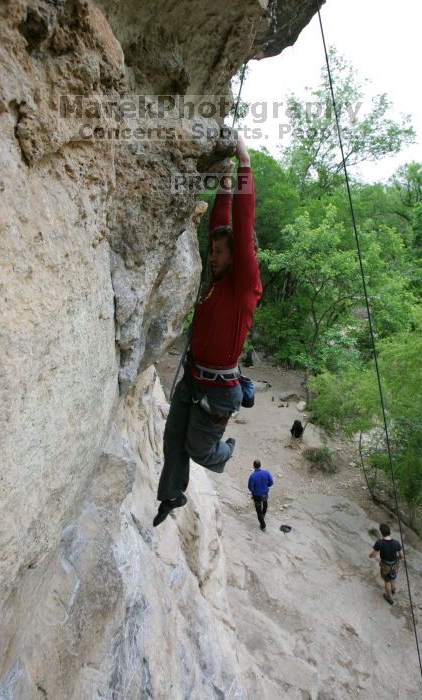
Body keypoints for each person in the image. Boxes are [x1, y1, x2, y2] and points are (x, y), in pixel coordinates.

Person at [153, 135, 262, 527]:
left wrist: (244, 163)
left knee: (200, 451)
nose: (211, 258)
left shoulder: (242, 287)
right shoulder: (218, 281)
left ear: (236, 259)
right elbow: (221, 223)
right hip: (195, 376)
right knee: (172, 440)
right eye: (211, 251)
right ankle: (170, 496)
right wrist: (226, 184)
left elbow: (241, 226)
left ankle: (226, 450)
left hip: (218, 392)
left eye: (219, 253)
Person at [369, 523, 404, 605]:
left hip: (385, 565)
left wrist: (370, 555)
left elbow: (373, 555)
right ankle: (393, 589)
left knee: (387, 580)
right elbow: (401, 556)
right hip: (395, 564)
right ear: (389, 532)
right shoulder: (396, 542)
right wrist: (396, 556)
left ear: (381, 532)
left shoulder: (379, 543)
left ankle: (390, 598)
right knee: (393, 576)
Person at [248, 459, 274, 531]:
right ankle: (263, 514)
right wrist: (265, 486)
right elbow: (271, 483)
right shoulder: (266, 472)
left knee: (258, 511)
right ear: (260, 465)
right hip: (265, 493)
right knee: (265, 504)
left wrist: (255, 491)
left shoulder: (252, 476)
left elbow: (250, 488)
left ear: (254, 466)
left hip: (257, 496)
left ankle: (263, 526)